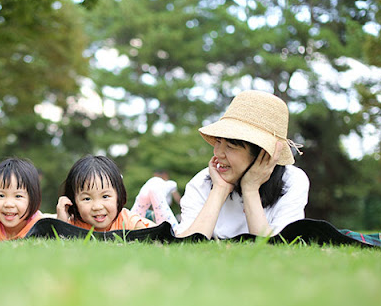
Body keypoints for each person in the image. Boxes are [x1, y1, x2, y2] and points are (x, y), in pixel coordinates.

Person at [175, 90, 310, 239]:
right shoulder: (202, 182)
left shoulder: (292, 180)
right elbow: (186, 244)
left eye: (231, 146)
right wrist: (219, 189)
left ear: (262, 153)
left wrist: (250, 189)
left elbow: (278, 250)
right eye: (218, 141)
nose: (218, 153)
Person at [57, 155, 155, 232]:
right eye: (87, 199)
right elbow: (56, 246)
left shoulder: (130, 222)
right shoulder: (73, 226)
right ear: (73, 201)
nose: (97, 207)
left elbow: (157, 239)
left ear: (118, 196)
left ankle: (150, 215)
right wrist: (61, 222)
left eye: (105, 196)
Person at [0, 158, 44, 240]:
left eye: (18, 196)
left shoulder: (40, 227)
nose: (8, 204)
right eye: (1, 195)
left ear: (33, 199)